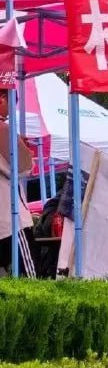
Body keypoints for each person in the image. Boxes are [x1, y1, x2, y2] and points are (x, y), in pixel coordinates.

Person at [0, 90, 38, 277]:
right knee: (31, 278)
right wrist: (23, 147)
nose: (9, 112)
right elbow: (24, 166)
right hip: (10, 218)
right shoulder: (3, 129)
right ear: (2, 99)